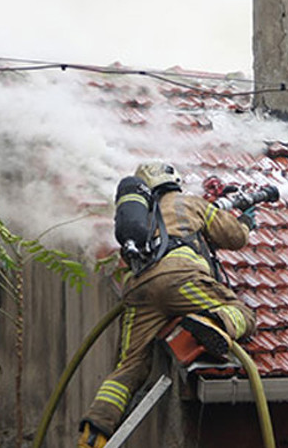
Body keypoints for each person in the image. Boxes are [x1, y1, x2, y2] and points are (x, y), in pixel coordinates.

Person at [78, 162, 257, 448]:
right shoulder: (190, 203)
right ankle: (211, 323)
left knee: (129, 366)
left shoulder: (140, 218)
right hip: (181, 280)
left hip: (140, 291)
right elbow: (234, 237)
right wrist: (247, 220)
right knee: (245, 315)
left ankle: (93, 436)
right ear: (173, 180)